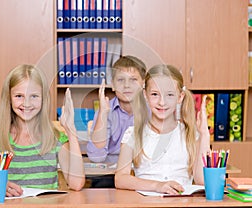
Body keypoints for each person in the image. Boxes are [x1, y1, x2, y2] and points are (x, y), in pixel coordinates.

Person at [0, 64, 85, 196]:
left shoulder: (55, 138)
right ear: (9, 99)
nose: (26, 103)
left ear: (44, 99)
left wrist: (71, 131)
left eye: (34, 96)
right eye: (19, 96)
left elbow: (76, 183)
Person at [115, 64, 210, 194]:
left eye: (170, 95)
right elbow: (120, 179)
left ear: (180, 97)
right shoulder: (133, 134)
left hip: (181, 203)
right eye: (155, 94)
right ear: (145, 95)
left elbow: (202, 181)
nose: (162, 102)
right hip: (145, 203)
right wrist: (157, 186)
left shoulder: (190, 134)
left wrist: (204, 135)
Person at [86, 55, 147, 164]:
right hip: (110, 173)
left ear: (143, 84)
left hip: (143, 170)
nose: (127, 85)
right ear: (113, 85)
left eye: (133, 80)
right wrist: (103, 114)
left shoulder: (152, 110)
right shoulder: (105, 110)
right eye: (120, 80)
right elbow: (96, 157)